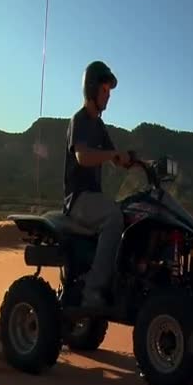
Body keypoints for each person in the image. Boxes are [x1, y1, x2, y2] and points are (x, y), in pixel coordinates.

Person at [63, 61, 133, 309]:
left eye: (110, 92)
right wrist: (112, 155)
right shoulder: (80, 120)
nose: (108, 97)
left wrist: (135, 161)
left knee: (131, 214)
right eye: (105, 91)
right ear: (92, 89)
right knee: (114, 216)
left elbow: (115, 157)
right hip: (78, 200)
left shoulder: (99, 126)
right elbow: (83, 157)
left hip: (93, 199)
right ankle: (93, 291)